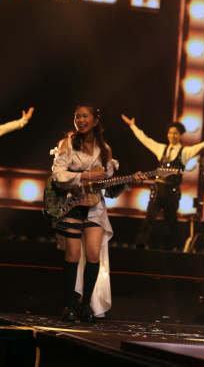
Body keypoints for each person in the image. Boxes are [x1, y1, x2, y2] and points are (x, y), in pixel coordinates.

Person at [52, 105, 140, 322]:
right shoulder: (67, 144)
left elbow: (108, 185)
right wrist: (86, 175)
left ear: (95, 120)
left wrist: (129, 180)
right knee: (73, 254)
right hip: (71, 205)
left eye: (84, 116)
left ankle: (85, 306)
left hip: (94, 208)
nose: (80, 120)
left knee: (93, 255)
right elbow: (57, 174)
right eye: (77, 117)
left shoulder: (104, 149)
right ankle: (69, 305)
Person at [121, 115, 204, 250]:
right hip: (158, 189)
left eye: (175, 133)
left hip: (172, 191)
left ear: (180, 135)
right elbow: (145, 139)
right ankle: (140, 246)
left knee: (171, 222)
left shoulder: (185, 152)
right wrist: (132, 126)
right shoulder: (161, 149)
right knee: (149, 218)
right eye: (170, 133)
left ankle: (171, 249)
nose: (172, 135)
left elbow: (201, 146)